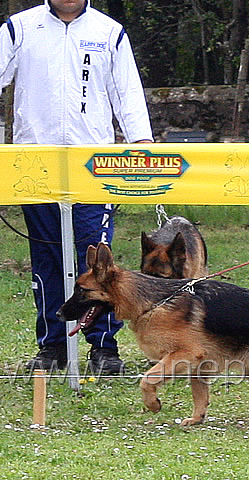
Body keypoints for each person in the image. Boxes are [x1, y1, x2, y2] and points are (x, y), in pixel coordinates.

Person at [0, 0, 153, 374]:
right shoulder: (18, 28)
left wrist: (143, 149)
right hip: (36, 164)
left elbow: (128, 94)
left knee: (98, 262)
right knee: (48, 258)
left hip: (93, 166)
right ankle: (53, 347)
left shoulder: (109, 32)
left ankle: (104, 347)